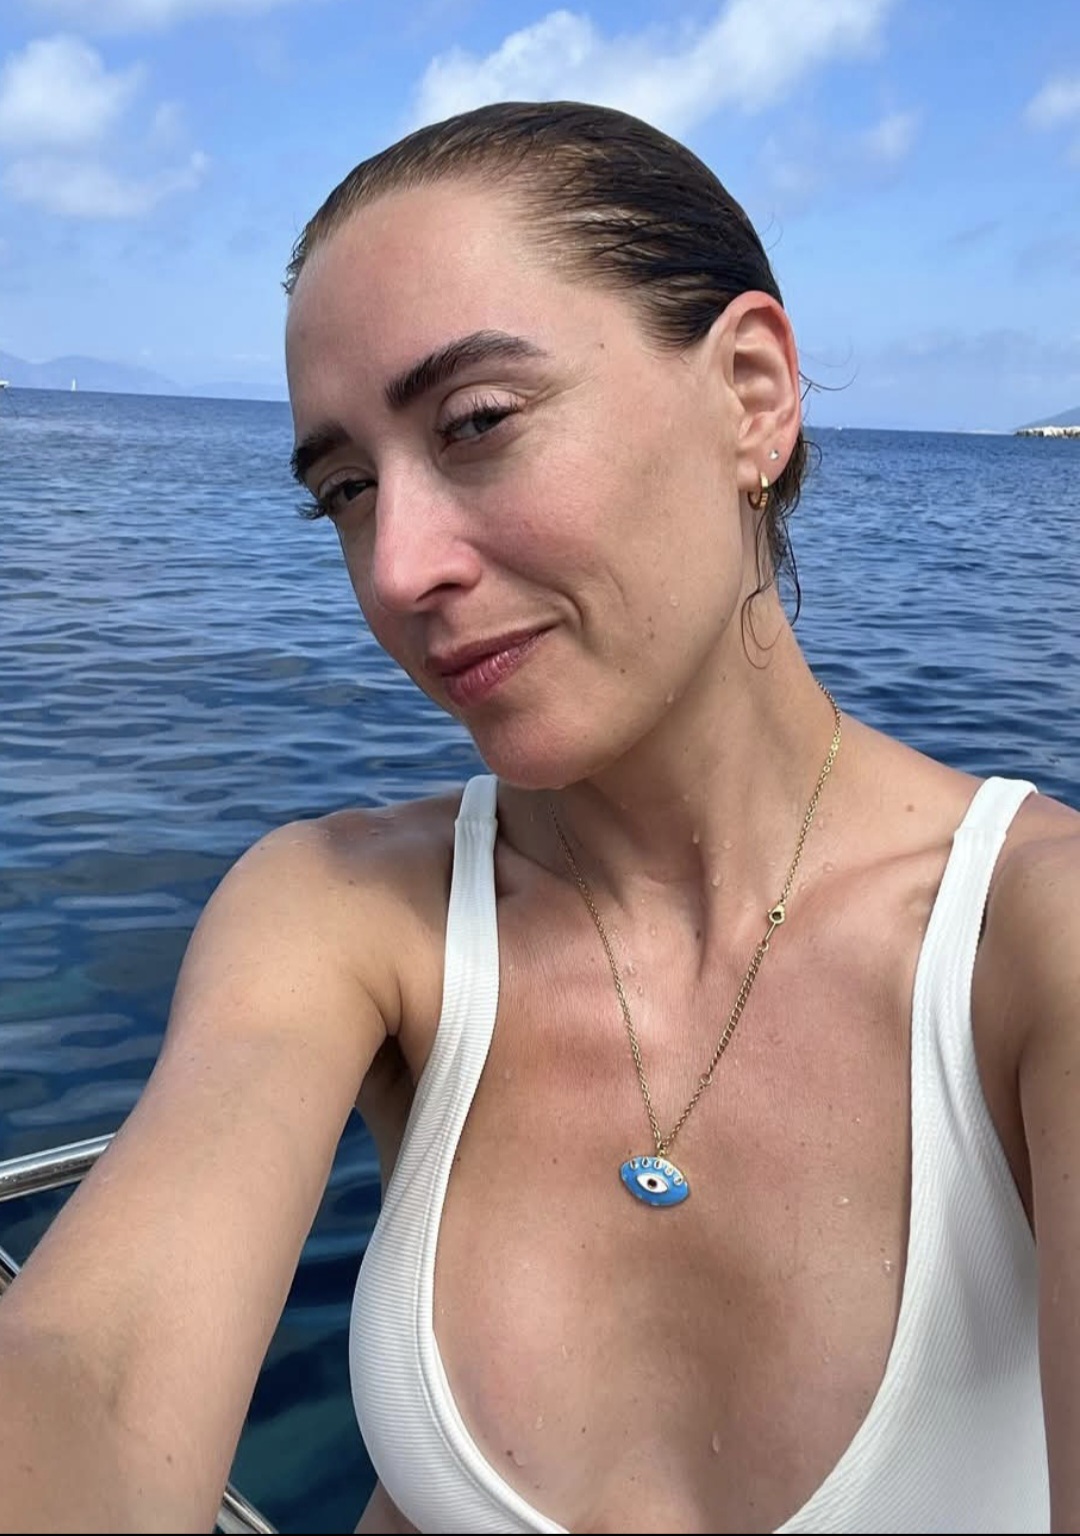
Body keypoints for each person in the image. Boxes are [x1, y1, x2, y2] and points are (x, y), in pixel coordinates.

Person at [1, 99, 1078, 1536]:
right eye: (345, 489)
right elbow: (96, 1377)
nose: (398, 568)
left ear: (753, 395)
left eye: (478, 424)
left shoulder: (1031, 944)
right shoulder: (347, 918)